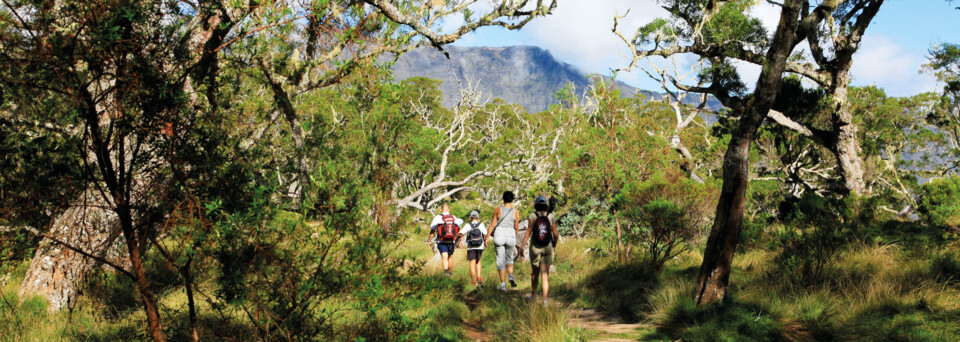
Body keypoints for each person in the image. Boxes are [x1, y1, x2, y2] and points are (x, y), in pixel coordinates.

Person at [518, 196, 559, 305]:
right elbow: (556, 234)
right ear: (546, 205)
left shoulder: (533, 216)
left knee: (535, 272)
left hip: (535, 247)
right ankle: (545, 300)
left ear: (536, 205)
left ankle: (533, 295)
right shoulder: (551, 216)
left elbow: (528, 232)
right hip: (548, 246)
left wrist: (522, 246)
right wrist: (554, 245)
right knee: (545, 274)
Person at [484, 191, 521, 291]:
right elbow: (516, 227)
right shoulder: (516, 212)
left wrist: (487, 238)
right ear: (512, 199)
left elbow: (492, 225)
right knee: (509, 258)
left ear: (503, 198)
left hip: (499, 235)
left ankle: (503, 284)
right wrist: (514, 236)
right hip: (510, 236)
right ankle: (511, 276)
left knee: (501, 260)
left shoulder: (498, 210)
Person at [427, 203, 463, 277]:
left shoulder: (437, 218)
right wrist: (461, 240)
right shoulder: (453, 217)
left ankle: (446, 272)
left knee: (444, 256)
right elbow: (459, 230)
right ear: (449, 210)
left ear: (441, 210)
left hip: (442, 240)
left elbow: (432, 230)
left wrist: (429, 240)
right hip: (451, 241)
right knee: (450, 257)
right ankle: (450, 274)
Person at [459, 210, 487, 287]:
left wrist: (460, 240)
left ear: (470, 217)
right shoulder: (481, 225)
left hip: (471, 247)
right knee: (478, 261)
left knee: (472, 263)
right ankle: (479, 277)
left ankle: (473, 281)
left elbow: (461, 233)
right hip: (480, 246)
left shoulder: (468, 225)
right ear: (478, 218)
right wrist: (485, 241)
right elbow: (485, 234)